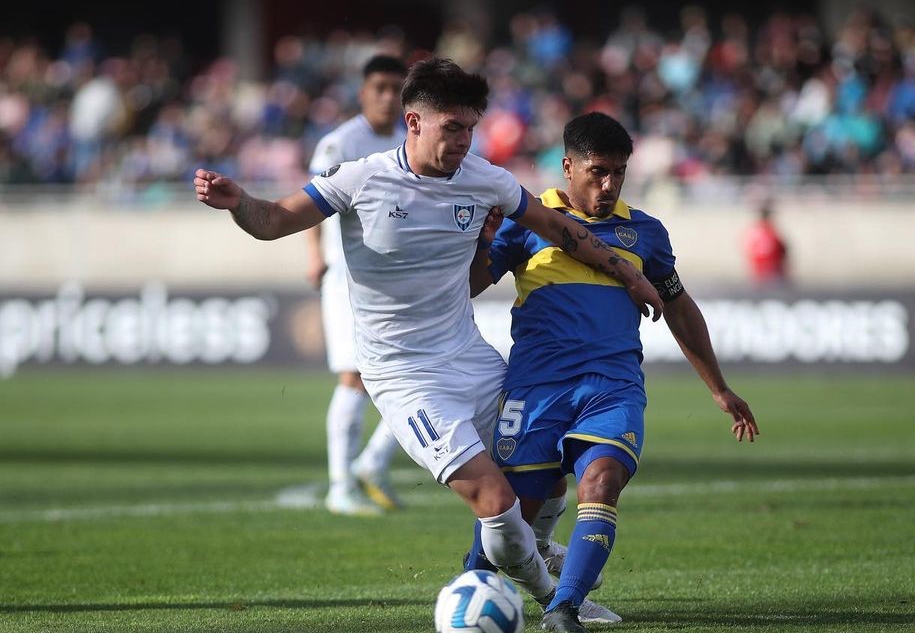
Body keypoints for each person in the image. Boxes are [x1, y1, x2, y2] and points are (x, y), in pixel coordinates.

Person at [193, 58, 660, 617]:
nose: (464, 141)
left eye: (470, 128)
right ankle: (554, 601)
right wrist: (238, 202)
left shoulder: (485, 179)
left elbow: (562, 229)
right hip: (405, 378)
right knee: (497, 500)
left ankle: (527, 551)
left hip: (470, 358)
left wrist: (630, 275)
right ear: (414, 123)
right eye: (452, 128)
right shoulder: (359, 179)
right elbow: (272, 220)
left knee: (550, 469)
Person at [468, 112, 759, 632]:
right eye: (597, 171)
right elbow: (469, 286)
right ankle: (467, 590)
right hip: (536, 390)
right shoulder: (528, 220)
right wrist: (486, 242)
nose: (608, 184)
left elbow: (679, 305)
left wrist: (719, 387)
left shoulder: (644, 232)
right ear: (568, 166)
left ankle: (564, 609)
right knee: (510, 513)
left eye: (618, 173)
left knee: (601, 483)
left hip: (612, 388)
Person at [305, 55, 408, 516]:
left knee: (410, 370)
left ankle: (371, 462)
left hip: (396, 278)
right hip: (347, 276)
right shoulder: (341, 142)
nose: (387, 96)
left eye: (395, 88)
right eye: (379, 87)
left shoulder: (410, 140)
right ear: (363, 92)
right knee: (355, 375)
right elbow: (310, 201)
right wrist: (314, 256)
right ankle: (340, 483)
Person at [743, 196, 788, 287]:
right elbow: (782, 250)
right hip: (772, 272)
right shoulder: (771, 231)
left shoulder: (753, 231)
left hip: (759, 273)